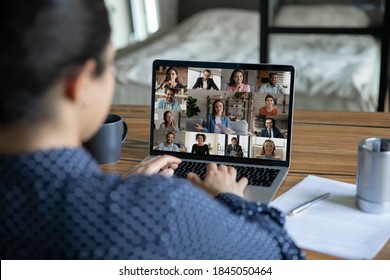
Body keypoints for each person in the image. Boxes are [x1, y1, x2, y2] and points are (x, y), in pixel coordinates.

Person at [0, 0, 304, 260]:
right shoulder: (163, 209)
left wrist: (122, 189)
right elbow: (284, 258)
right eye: (110, 65)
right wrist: (230, 198)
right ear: (78, 84)